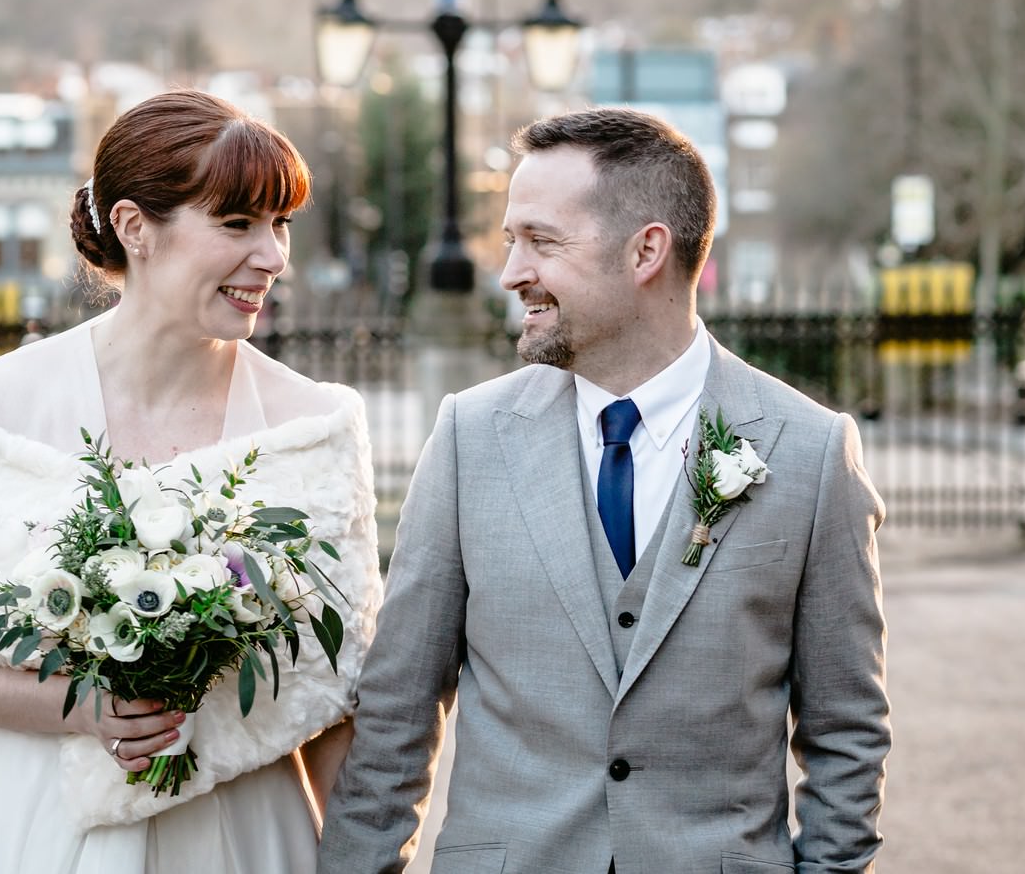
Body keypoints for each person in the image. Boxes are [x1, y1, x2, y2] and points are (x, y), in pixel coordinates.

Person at [318, 107, 889, 873]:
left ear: (645, 249)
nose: (512, 271)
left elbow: (846, 732)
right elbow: (396, 713)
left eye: (540, 241)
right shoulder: (469, 437)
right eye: (511, 239)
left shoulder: (812, 452)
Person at [0, 90, 383, 874]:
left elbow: (339, 698)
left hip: (250, 832)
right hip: (31, 829)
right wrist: (90, 708)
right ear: (134, 227)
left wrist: (366, 864)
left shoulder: (316, 427)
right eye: (237, 223)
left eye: (279, 224)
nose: (273, 255)